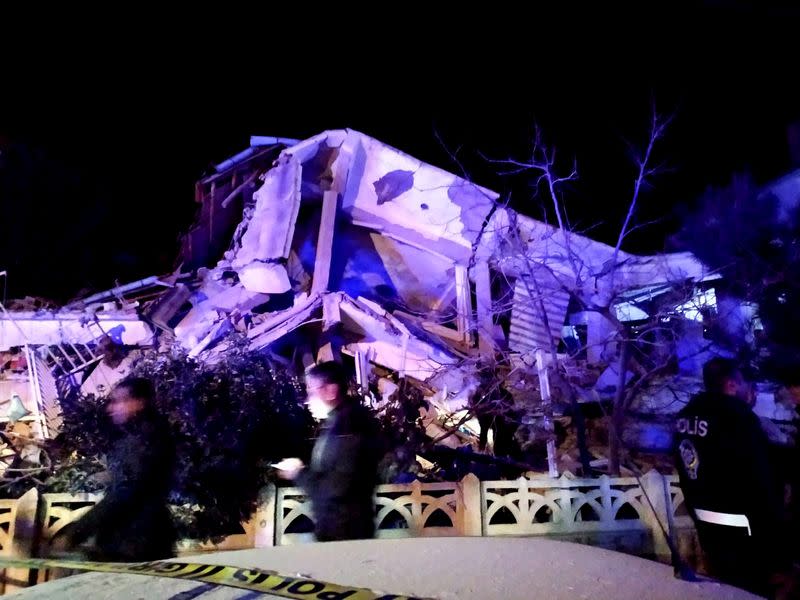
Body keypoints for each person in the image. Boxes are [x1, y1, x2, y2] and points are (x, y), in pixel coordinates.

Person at [674, 357, 782, 597]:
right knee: (753, 591)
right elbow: (760, 477)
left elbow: (684, 467)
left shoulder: (684, 416)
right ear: (732, 385)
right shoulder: (738, 417)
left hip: (708, 528)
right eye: (746, 385)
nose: (750, 392)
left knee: (724, 590)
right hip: (747, 533)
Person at [50, 376, 177, 561]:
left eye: (119, 401)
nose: (110, 408)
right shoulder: (145, 436)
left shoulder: (144, 441)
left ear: (138, 402)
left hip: (133, 545)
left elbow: (126, 493)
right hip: (137, 540)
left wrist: (76, 533)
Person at [277, 361, 381, 541]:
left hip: (345, 532)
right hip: (338, 527)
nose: (308, 398)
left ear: (331, 390)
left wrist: (298, 473)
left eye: (312, 390)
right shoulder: (338, 422)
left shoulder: (349, 426)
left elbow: (337, 486)